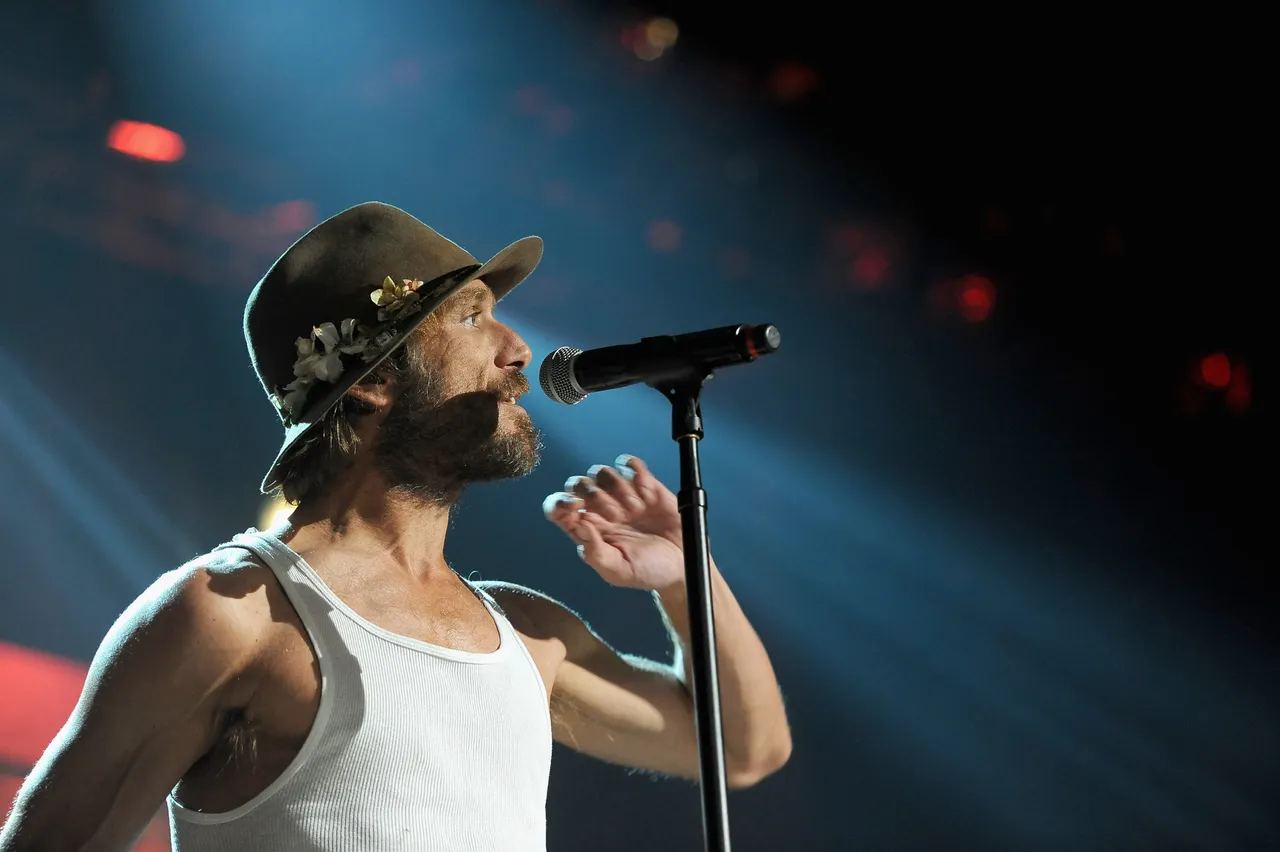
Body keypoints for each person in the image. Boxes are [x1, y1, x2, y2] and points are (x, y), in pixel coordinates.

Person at [0, 202, 791, 851]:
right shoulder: (231, 617)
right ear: (374, 381)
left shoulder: (524, 632)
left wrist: (693, 576)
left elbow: (744, 750)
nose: (519, 350)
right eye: (473, 317)